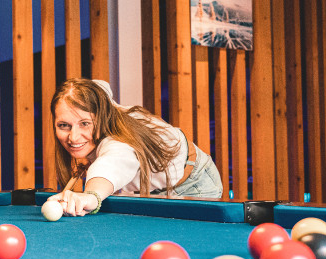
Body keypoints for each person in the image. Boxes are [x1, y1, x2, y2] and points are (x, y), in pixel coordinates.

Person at [47, 78, 223, 217]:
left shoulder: (119, 141)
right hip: (152, 188)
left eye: (85, 123)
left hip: (193, 183)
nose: (73, 137)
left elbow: (112, 164)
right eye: (63, 125)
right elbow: (102, 87)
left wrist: (91, 196)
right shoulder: (101, 102)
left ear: (102, 115)